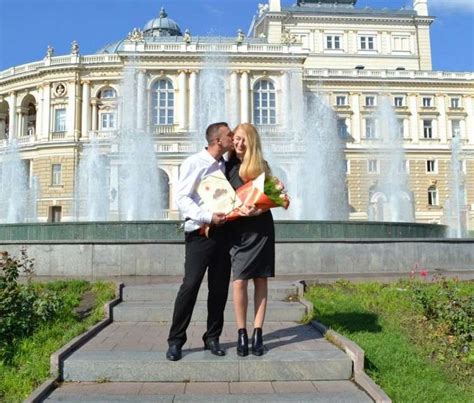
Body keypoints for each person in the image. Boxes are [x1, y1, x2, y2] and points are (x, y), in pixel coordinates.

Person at [166, 122, 234, 361]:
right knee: (190, 285)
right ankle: (176, 340)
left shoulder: (227, 165)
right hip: (200, 233)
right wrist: (208, 217)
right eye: (230, 135)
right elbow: (182, 198)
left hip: (224, 235)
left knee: (219, 288)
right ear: (217, 140)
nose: (233, 138)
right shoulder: (194, 162)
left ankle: (212, 337)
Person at [225, 123, 275, 357]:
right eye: (236, 139)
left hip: (261, 229)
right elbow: (219, 198)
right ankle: (241, 332)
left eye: (243, 139)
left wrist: (258, 210)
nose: (239, 143)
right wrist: (236, 209)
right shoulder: (226, 167)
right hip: (238, 230)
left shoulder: (262, 167)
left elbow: (273, 197)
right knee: (239, 281)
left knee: (261, 280)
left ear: (252, 142)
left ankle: (258, 333)